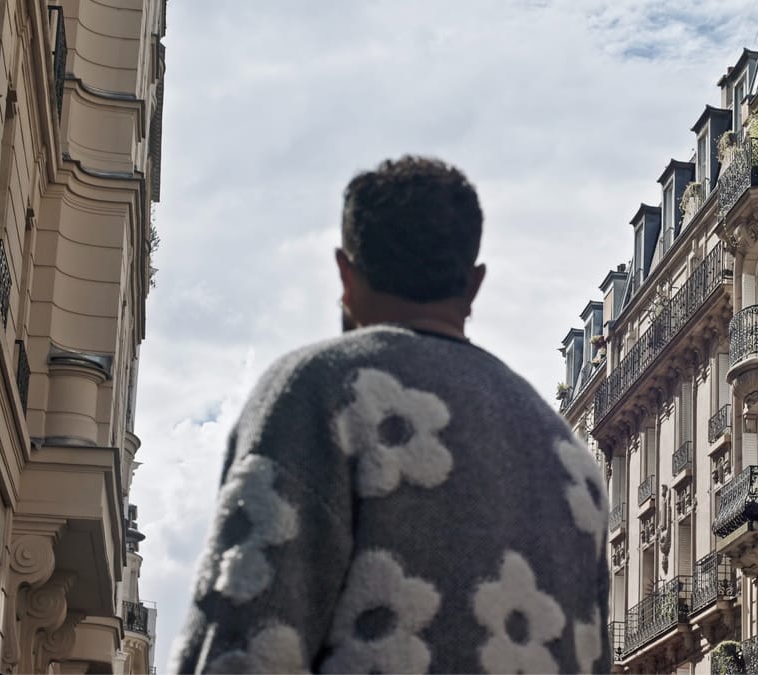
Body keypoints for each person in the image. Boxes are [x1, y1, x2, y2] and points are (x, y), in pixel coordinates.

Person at [171, 157, 611, 674]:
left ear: (345, 273)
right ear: (474, 284)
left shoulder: (321, 391)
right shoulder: (566, 454)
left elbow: (245, 637)